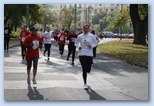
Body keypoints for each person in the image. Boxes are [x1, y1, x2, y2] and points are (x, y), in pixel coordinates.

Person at [75, 25, 97, 90]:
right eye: (84, 28)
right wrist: (78, 46)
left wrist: (92, 46)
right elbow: (76, 43)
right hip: (82, 53)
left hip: (89, 54)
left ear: (88, 29)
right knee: (84, 69)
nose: (86, 30)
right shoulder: (80, 36)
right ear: (83, 29)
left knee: (88, 70)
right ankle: (85, 83)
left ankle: (87, 70)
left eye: (87, 29)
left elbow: (95, 43)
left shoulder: (92, 36)